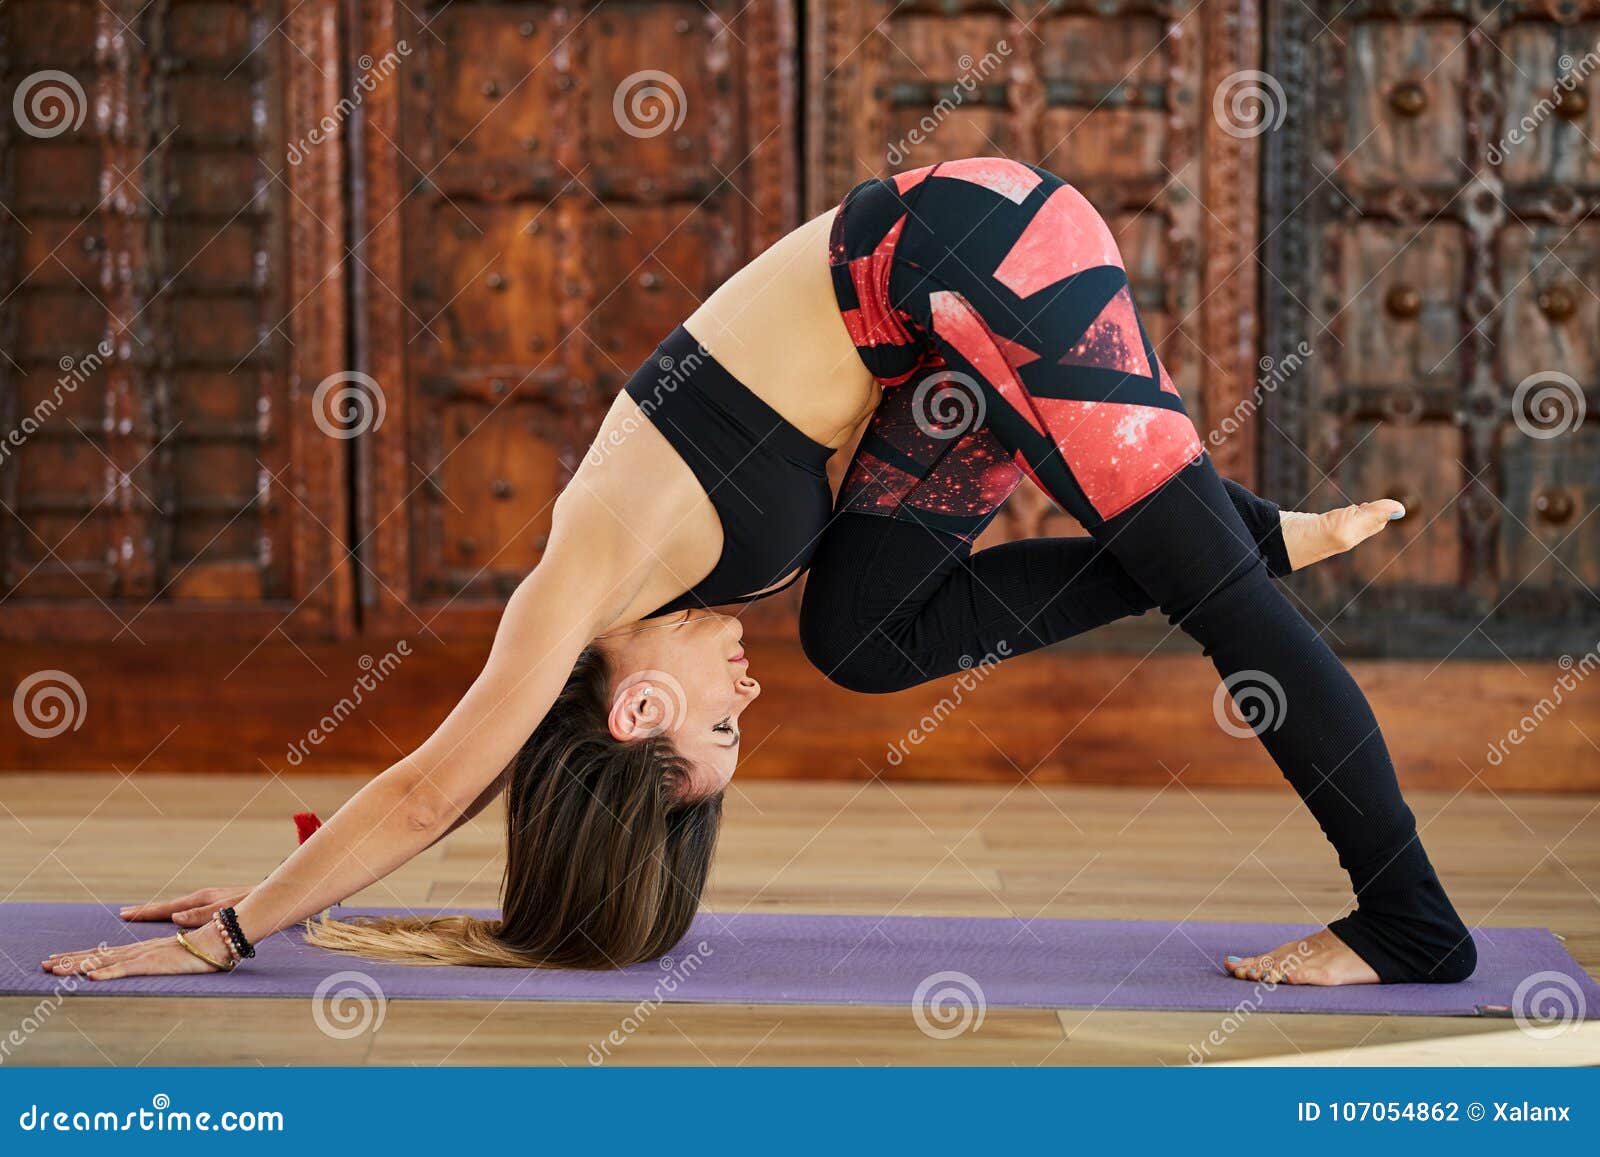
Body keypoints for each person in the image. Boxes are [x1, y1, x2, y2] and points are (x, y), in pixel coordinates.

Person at [42, 157, 1474, 986]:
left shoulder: (584, 575)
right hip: (933, 356)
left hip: (969, 249)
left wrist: (237, 924)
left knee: (1232, 609)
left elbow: (438, 779)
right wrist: (295, 890)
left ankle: (1408, 918)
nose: (743, 693)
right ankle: (1224, 537)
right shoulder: (670, 601)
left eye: (717, 723)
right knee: (857, 638)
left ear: (631, 714)